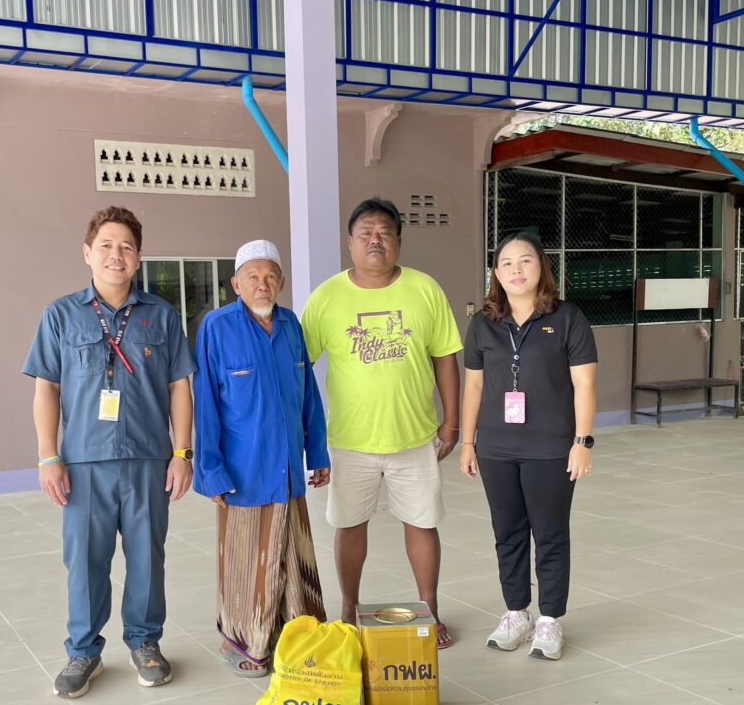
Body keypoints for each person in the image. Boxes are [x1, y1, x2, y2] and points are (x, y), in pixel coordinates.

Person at [23, 206, 196, 697]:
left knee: (147, 558)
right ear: (87, 253)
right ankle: (84, 651)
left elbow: (180, 387)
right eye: (106, 245)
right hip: (83, 464)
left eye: (126, 247)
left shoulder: (162, 316)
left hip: (148, 460)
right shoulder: (60, 315)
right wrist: (47, 456)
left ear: (138, 257)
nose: (115, 255)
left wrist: (182, 453)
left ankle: (145, 643)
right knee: (84, 561)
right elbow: (46, 388)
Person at [302, 197, 462, 649]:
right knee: (349, 524)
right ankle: (348, 610)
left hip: (414, 437)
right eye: (366, 233)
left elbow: (445, 358)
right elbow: (298, 366)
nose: (376, 240)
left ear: (398, 242)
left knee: (422, 522)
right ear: (350, 243)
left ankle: (429, 610)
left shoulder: (425, 289)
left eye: (385, 233)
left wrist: (451, 423)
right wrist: (308, 437)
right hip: (350, 440)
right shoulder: (326, 297)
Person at [193, 240, 330, 677]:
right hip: (243, 472)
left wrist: (318, 451)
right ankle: (243, 638)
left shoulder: (290, 325)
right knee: (245, 560)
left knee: (292, 555)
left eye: (270, 276)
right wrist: (210, 471)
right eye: (252, 276)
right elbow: (205, 404)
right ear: (236, 284)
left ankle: (296, 634)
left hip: (287, 468)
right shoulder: (217, 327)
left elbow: (308, 395)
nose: (262, 284)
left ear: (282, 282)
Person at [459, 232, 597, 661]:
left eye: (525, 261)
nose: (516, 270)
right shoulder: (483, 324)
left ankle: (550, 618)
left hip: (551, 447)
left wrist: (582, 442)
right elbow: (474, 386)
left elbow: (584, 384)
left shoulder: (568, 318)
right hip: (496, 448)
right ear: (496, 273)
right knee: (508, 533)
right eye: (506, 263)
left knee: (550, 534)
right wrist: (468, 442)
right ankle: (516, 613)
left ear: (541, 267)